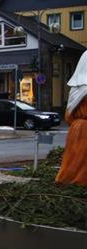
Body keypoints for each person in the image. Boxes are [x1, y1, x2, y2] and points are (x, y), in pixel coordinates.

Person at [55, 50, 87, 186]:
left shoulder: (76, 89)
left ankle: (67, 181)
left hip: (76, 129)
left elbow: (68, 116)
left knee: (73, 160)